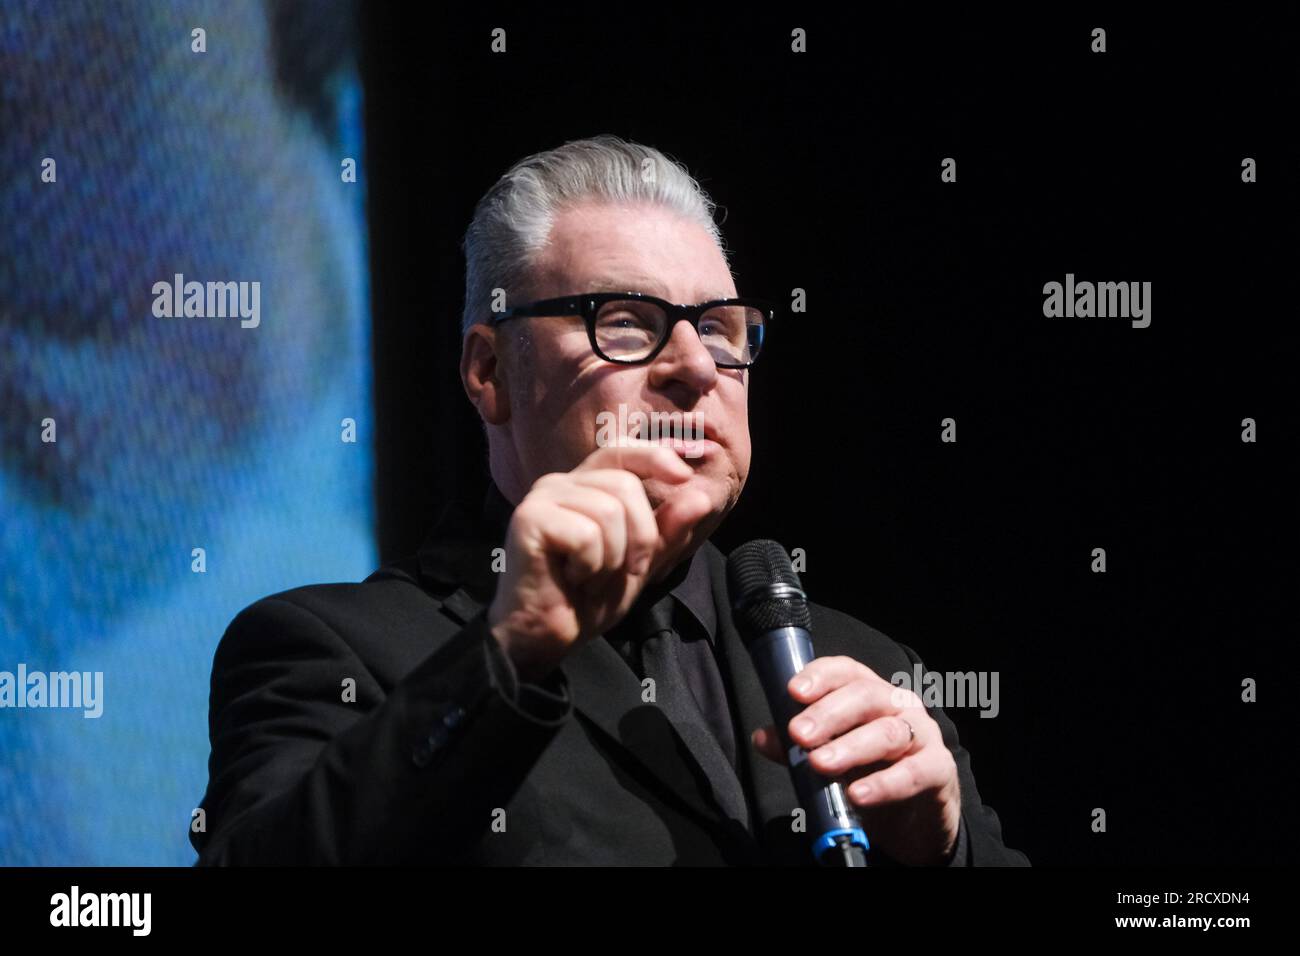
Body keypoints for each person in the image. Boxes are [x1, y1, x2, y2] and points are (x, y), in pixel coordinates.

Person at [191, 134, 1030, 866]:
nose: (696, 367)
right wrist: (507, 655)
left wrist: (940, 850)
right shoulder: (330, 648)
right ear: (489, 373)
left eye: (721, 329)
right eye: (625, 321)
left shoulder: (862, 667)